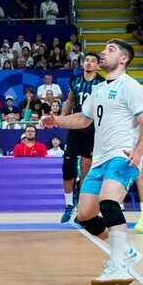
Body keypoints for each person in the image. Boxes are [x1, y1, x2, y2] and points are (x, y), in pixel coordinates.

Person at [43, 39, 143, 285]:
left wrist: (138, 151)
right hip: (100, 158)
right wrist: (57, 121)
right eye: (104, 50)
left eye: (110, 50)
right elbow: (84, 119)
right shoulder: (100, 89)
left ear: (124, 59)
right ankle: (126, 251)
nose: (103, 53)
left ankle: (118, 265)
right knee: (85, 215)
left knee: (108, 201)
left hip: (122, 154)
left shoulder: (131, 87)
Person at [60, 52, 104, 224]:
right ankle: (69, 204)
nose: (89, 63)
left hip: (92, 129)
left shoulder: (102, 83)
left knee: (86, 169)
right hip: (75, 126)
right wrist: (62, 119)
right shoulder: (75, 80)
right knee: (67, 166)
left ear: (98, 65)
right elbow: (70, 101)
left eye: (93, 61)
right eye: (87, 60)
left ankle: (82, 208)